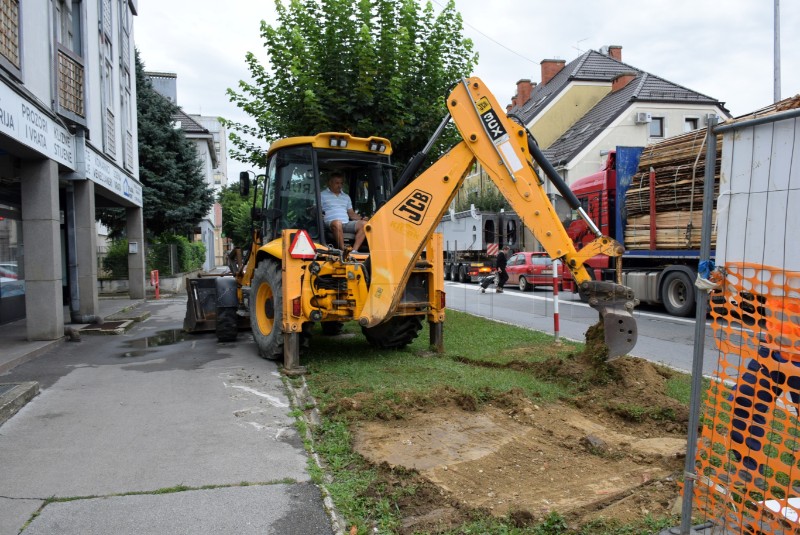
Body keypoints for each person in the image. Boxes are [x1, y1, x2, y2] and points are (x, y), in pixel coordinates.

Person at [320, 172, 368, 251]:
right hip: (330, 223)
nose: (339, 186)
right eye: (337, 183)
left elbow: (351, 214)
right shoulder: (322, 195)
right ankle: (343, 250)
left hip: (345, 223)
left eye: (341, 183)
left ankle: (354, 251)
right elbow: (315, 210)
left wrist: (362, 218)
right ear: (330, 183)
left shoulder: (346, 197)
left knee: (364, 224)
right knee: (337, 223)